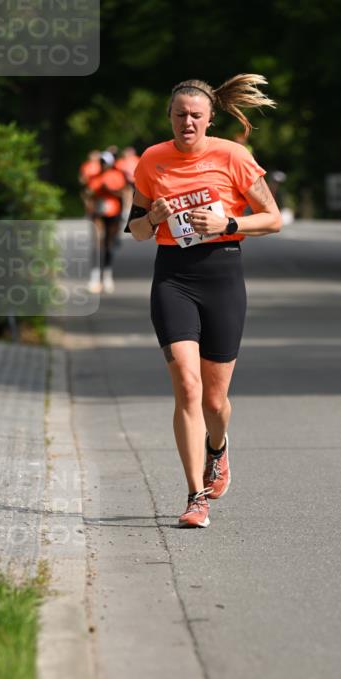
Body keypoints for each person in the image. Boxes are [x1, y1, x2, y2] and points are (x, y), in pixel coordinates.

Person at [126, 74, 282, 527]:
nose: (187, 122)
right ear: (169, 117)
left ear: (210, 118)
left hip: (223, 278)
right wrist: (151, 217)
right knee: (187, 389)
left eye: (196, 115)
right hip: (173, 278)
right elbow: (134, 231)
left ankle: (218, 447)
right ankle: (196, 496)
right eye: (180, 115)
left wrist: (229, 224)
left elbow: (272, 219)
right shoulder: (152, 161)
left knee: (215, 402)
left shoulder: (233, 156)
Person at [84, 151, 127, 293]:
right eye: (101, 162)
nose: (103, 165)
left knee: (109, 243)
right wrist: (93, 194)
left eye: (105, 162)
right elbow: (88, 193)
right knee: (97, 242)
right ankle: (94, 277)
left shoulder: (117, 175)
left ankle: (107, 275)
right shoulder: (94, 177)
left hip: (113, 212)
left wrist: (109, 190)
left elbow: (122, 192)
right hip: (98, 212)